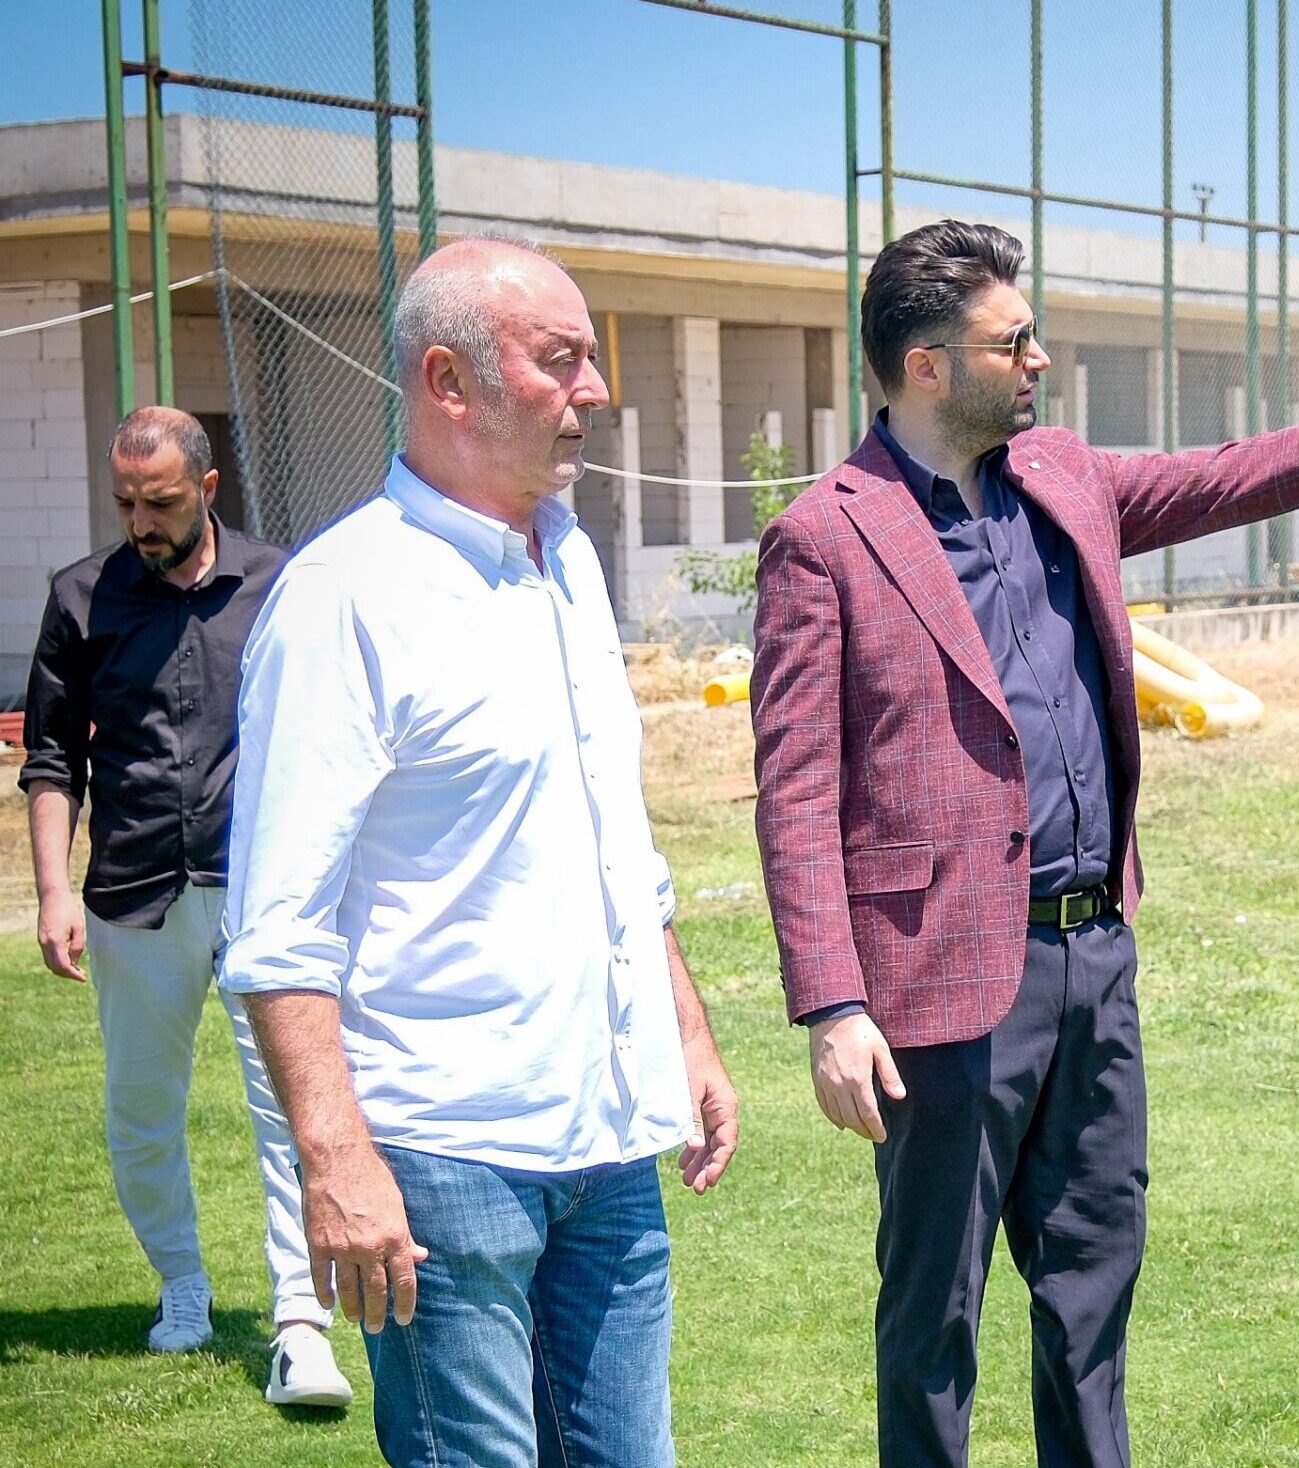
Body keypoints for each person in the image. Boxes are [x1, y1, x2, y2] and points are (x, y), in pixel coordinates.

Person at [750, 217, 1299, 1468]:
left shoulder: (1062, 476)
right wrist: (833, 1004)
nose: (1039, 359)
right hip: (939, 985)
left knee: (1091, 1293)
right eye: (1012, 341)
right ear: (926, 365)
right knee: (932, 1316)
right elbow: (794, 792)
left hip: (1093, 958)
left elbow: (1238, 473)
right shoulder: (827, 536)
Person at [220, 237, 739, 1468]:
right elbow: (276, 928)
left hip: (609, 1140)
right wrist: (337, 1161)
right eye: (561, 360)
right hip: (443, 1158)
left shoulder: (569, 558)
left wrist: (685, 1032)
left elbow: (613, 834)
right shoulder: (343, 596)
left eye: (591, 359)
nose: (594, 390)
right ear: (448, 381)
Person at [18, 405, 352, 1407]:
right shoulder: (81, 597)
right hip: (131, 896)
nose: (140, 522)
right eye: (125, 502)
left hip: (264, 897)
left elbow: (329, 732)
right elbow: (51, 758)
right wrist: (51, 890)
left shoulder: (281, 584)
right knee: (140, 1111)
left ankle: (300, 1323)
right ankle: (182, 1283)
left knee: (291, 1106)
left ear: (207, 489)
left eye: (159, 502)